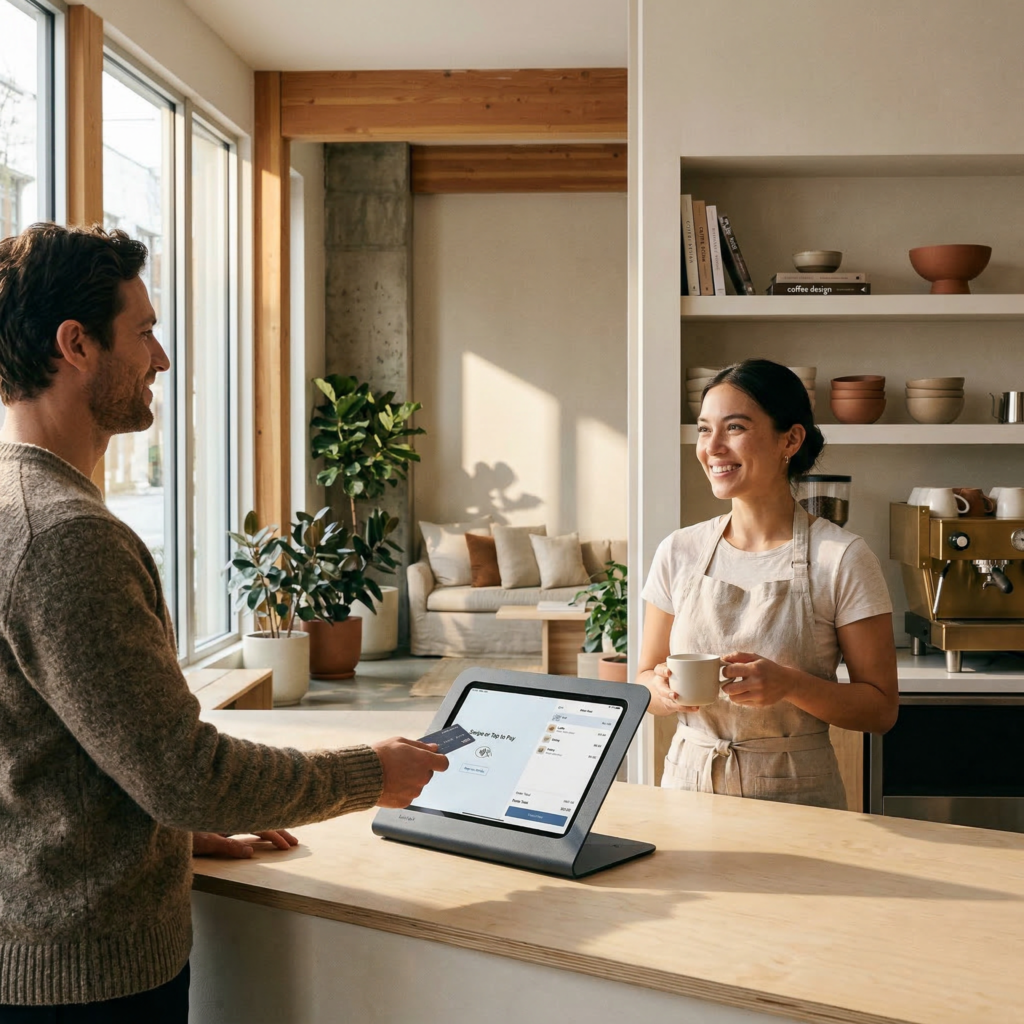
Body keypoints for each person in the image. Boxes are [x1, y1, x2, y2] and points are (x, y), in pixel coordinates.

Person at [0, 223, 448, 1021]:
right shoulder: (66, 537)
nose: (161, 360)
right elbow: (185, 775)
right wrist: (373, 772)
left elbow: (52, 743)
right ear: (76, 345)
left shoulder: (15, 512)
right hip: (83, 979)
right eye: (143, 333)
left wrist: (163, 831)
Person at [637, 359, 897, 809]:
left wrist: (790, 686)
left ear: (790, 439)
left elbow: (880, 710)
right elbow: (643, 680)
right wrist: (660, 692)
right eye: (703, 430)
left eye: (734, 427)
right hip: (686, 792)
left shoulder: (842, 558)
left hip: (796, 796)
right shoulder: (678, 551)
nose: (712, 447)